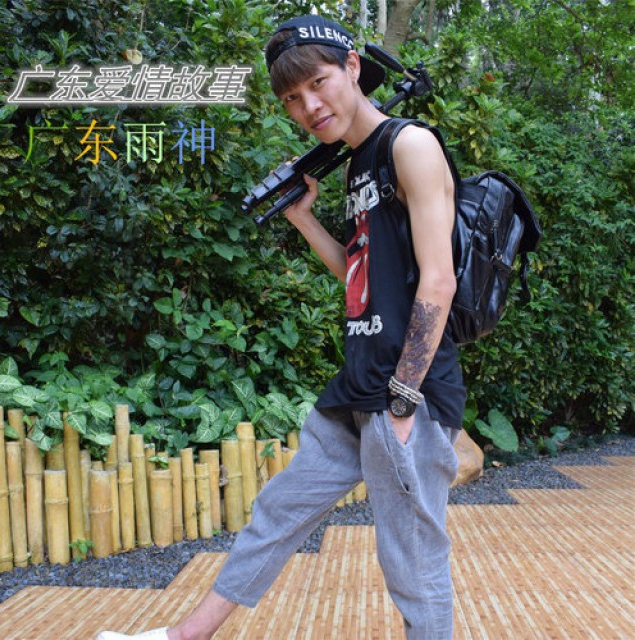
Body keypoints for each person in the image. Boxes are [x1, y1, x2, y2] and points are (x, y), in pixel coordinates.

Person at [97, 13, 465, 640]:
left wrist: (404, 398)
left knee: (412, 559)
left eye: (318, 83)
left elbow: (439, 280)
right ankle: (185, 636)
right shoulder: (358, 164)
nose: (308, 106)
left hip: (408, 392)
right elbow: (362, 275)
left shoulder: (410, 146)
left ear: (353, 67)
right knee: (277, 512)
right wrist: (303, 219)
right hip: (359, 385)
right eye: (293, 98)